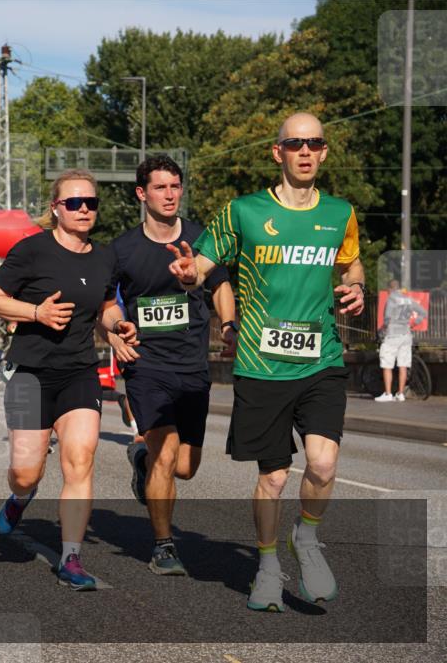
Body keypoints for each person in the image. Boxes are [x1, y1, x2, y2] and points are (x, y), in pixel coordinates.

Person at [167, 112, 365, 611]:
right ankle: (269, 565)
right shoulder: (243, 212)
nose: (305, 151)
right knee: (274, 478)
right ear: (278, 152)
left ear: (324, 152)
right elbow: (202, 266)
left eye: (314, 143)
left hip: (321, 358)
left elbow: (350, 262)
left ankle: (307, 537)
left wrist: (357, 285)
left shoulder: (340, 213)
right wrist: (189, 275)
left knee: (323, 462)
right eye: (295, 143)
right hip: (261, 363)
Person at [0, 169, 138, 590]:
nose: (84, 209)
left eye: (91, 203)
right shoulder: (31, 250)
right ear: (56, 208)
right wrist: (36, 312)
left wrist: (117, 325)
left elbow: (105, 306)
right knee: (25, 473)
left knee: (80, 458)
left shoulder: (105, 257)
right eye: (74, 203)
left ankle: (71, 558)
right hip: (30, 374)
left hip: (79, 372)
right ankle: (21, 497)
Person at [106, 155, 237, 576]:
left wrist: (229, 325)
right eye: (160, 187)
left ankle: (141, 460)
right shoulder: (122, 249)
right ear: (141, 194)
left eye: (175, 186)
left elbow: (221, 286)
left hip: (192, 365)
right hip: (146, 366)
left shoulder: (201, 238)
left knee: (185, 467)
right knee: (166, 455)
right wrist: (115, 329)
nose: (169, 194)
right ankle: (164, 546)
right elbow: (106, 304)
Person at [375, 279, 427, 402]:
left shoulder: (391, 299)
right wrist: (414, 323)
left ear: (390, 289)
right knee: (403, 365)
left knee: (387, 365)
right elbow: (423, 312)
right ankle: (400, 393)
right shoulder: (408, 299)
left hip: (392, 335)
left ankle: (388, 394)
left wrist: (382, 330)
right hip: (406, 335)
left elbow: (387, 318)